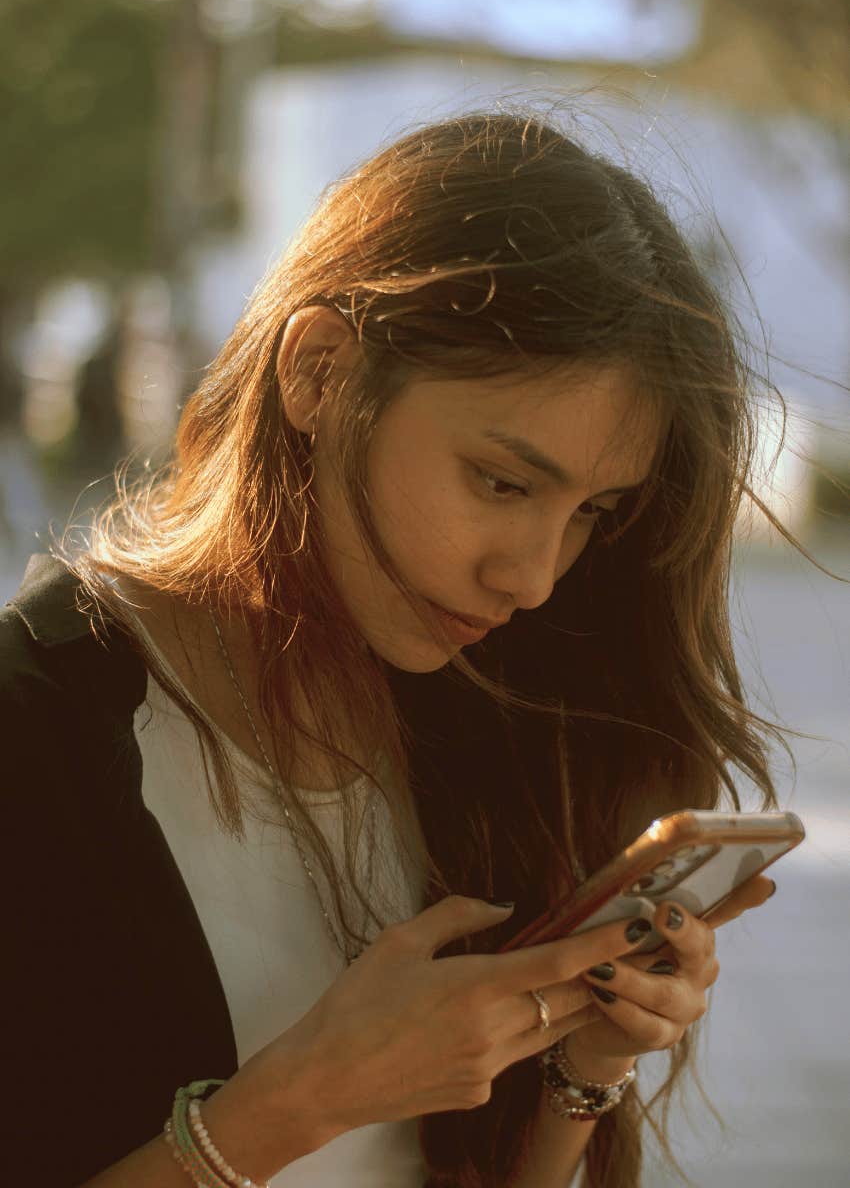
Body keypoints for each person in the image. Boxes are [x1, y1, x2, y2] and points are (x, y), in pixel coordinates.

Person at [2, 110, 788, 1188]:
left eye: (592, 512)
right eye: (502, 484)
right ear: (319, 373)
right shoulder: (36, 734)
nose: (533, 576)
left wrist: (584, 1064)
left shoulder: (494, 715)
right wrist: (300, 1100)